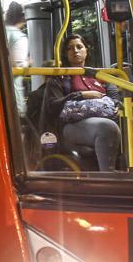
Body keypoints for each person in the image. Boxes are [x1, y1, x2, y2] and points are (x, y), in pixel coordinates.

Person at [45, 34, 122, 170]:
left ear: (86, 50)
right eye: (70, 48)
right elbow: (53, 106)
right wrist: (81, 95)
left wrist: (115, 104)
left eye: (79, 47)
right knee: (107, 127)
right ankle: (108, 175)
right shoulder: (60, 77)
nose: (75, 51)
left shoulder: (99, 75)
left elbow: (114, 97)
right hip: (71, 126)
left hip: (101, 118)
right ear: (65, 53)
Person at [5, 2, 29, 112]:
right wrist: (28, 63)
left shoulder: (0, 32)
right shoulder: (19, 37)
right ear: (22, 18)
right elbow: (17, 65)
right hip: (13, 97)